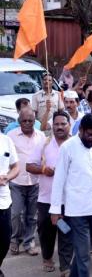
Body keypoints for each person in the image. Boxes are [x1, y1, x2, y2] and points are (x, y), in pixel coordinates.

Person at [50, 114, 92, 277]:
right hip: (76, 210)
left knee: (82, 252)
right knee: (84, 255)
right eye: (89, 134)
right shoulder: (68, 147)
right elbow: (59, 180)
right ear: (81, 130)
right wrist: (55, 209)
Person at [26, 111, 73, 275]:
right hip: (46, 199)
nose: (59, 127)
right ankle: (47, 257)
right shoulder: (44, 144)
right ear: (52, 126)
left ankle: (66, 266)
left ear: (69, 125)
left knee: (66, 230)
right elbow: (29, 166)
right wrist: (44, 169)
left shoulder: (75, 144)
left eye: (63, 124)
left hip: (69, 201)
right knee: (46, 231)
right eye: (57, 124)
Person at [8, 108, 46, 256]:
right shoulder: (10, 136)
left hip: (36, 182)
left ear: (34, 121)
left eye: (30, 120)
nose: (27, 123)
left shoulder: (41, 136)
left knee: (32, 215)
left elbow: (45, 156)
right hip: (16, 181)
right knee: (16, 214)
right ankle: (14, 240)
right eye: (24, 120)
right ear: (19, 121)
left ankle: (29, 241)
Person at [0, 131, 19, 277]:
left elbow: (16, 167)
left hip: (4, 201)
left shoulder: (6, 140)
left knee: (4, 241)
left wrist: (7, 177)